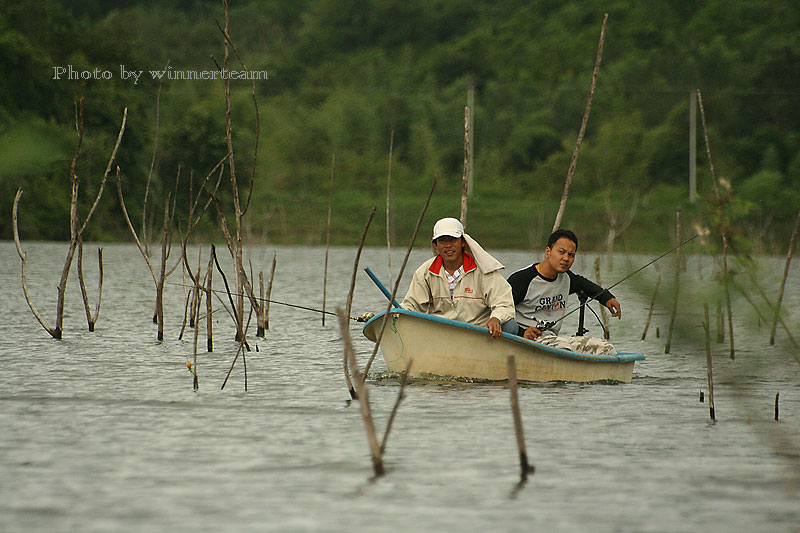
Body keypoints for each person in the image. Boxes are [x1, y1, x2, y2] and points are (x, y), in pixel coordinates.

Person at [402, 217, 518, 339]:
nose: (448, 245)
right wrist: (394, 316)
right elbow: (411, 306)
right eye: (442, 241)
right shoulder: (425, 272)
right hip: (440, 335)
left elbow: (504, 304)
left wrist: (496, 318)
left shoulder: (483, 270)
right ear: (435, 245)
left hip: (479, 333)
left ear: (462, 242)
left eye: (453, 240)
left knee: (510, 325)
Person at [507, 229, 621, 341]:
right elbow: (498, 309)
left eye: (571, 255)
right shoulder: (522, 280)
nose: (566, 258)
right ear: (548, 252)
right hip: (523, 340)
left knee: (605, 347)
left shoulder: (566, 278)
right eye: (561, 252)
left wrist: (607, 298)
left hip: (551, 340)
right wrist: (521, 333)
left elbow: (583, 284)